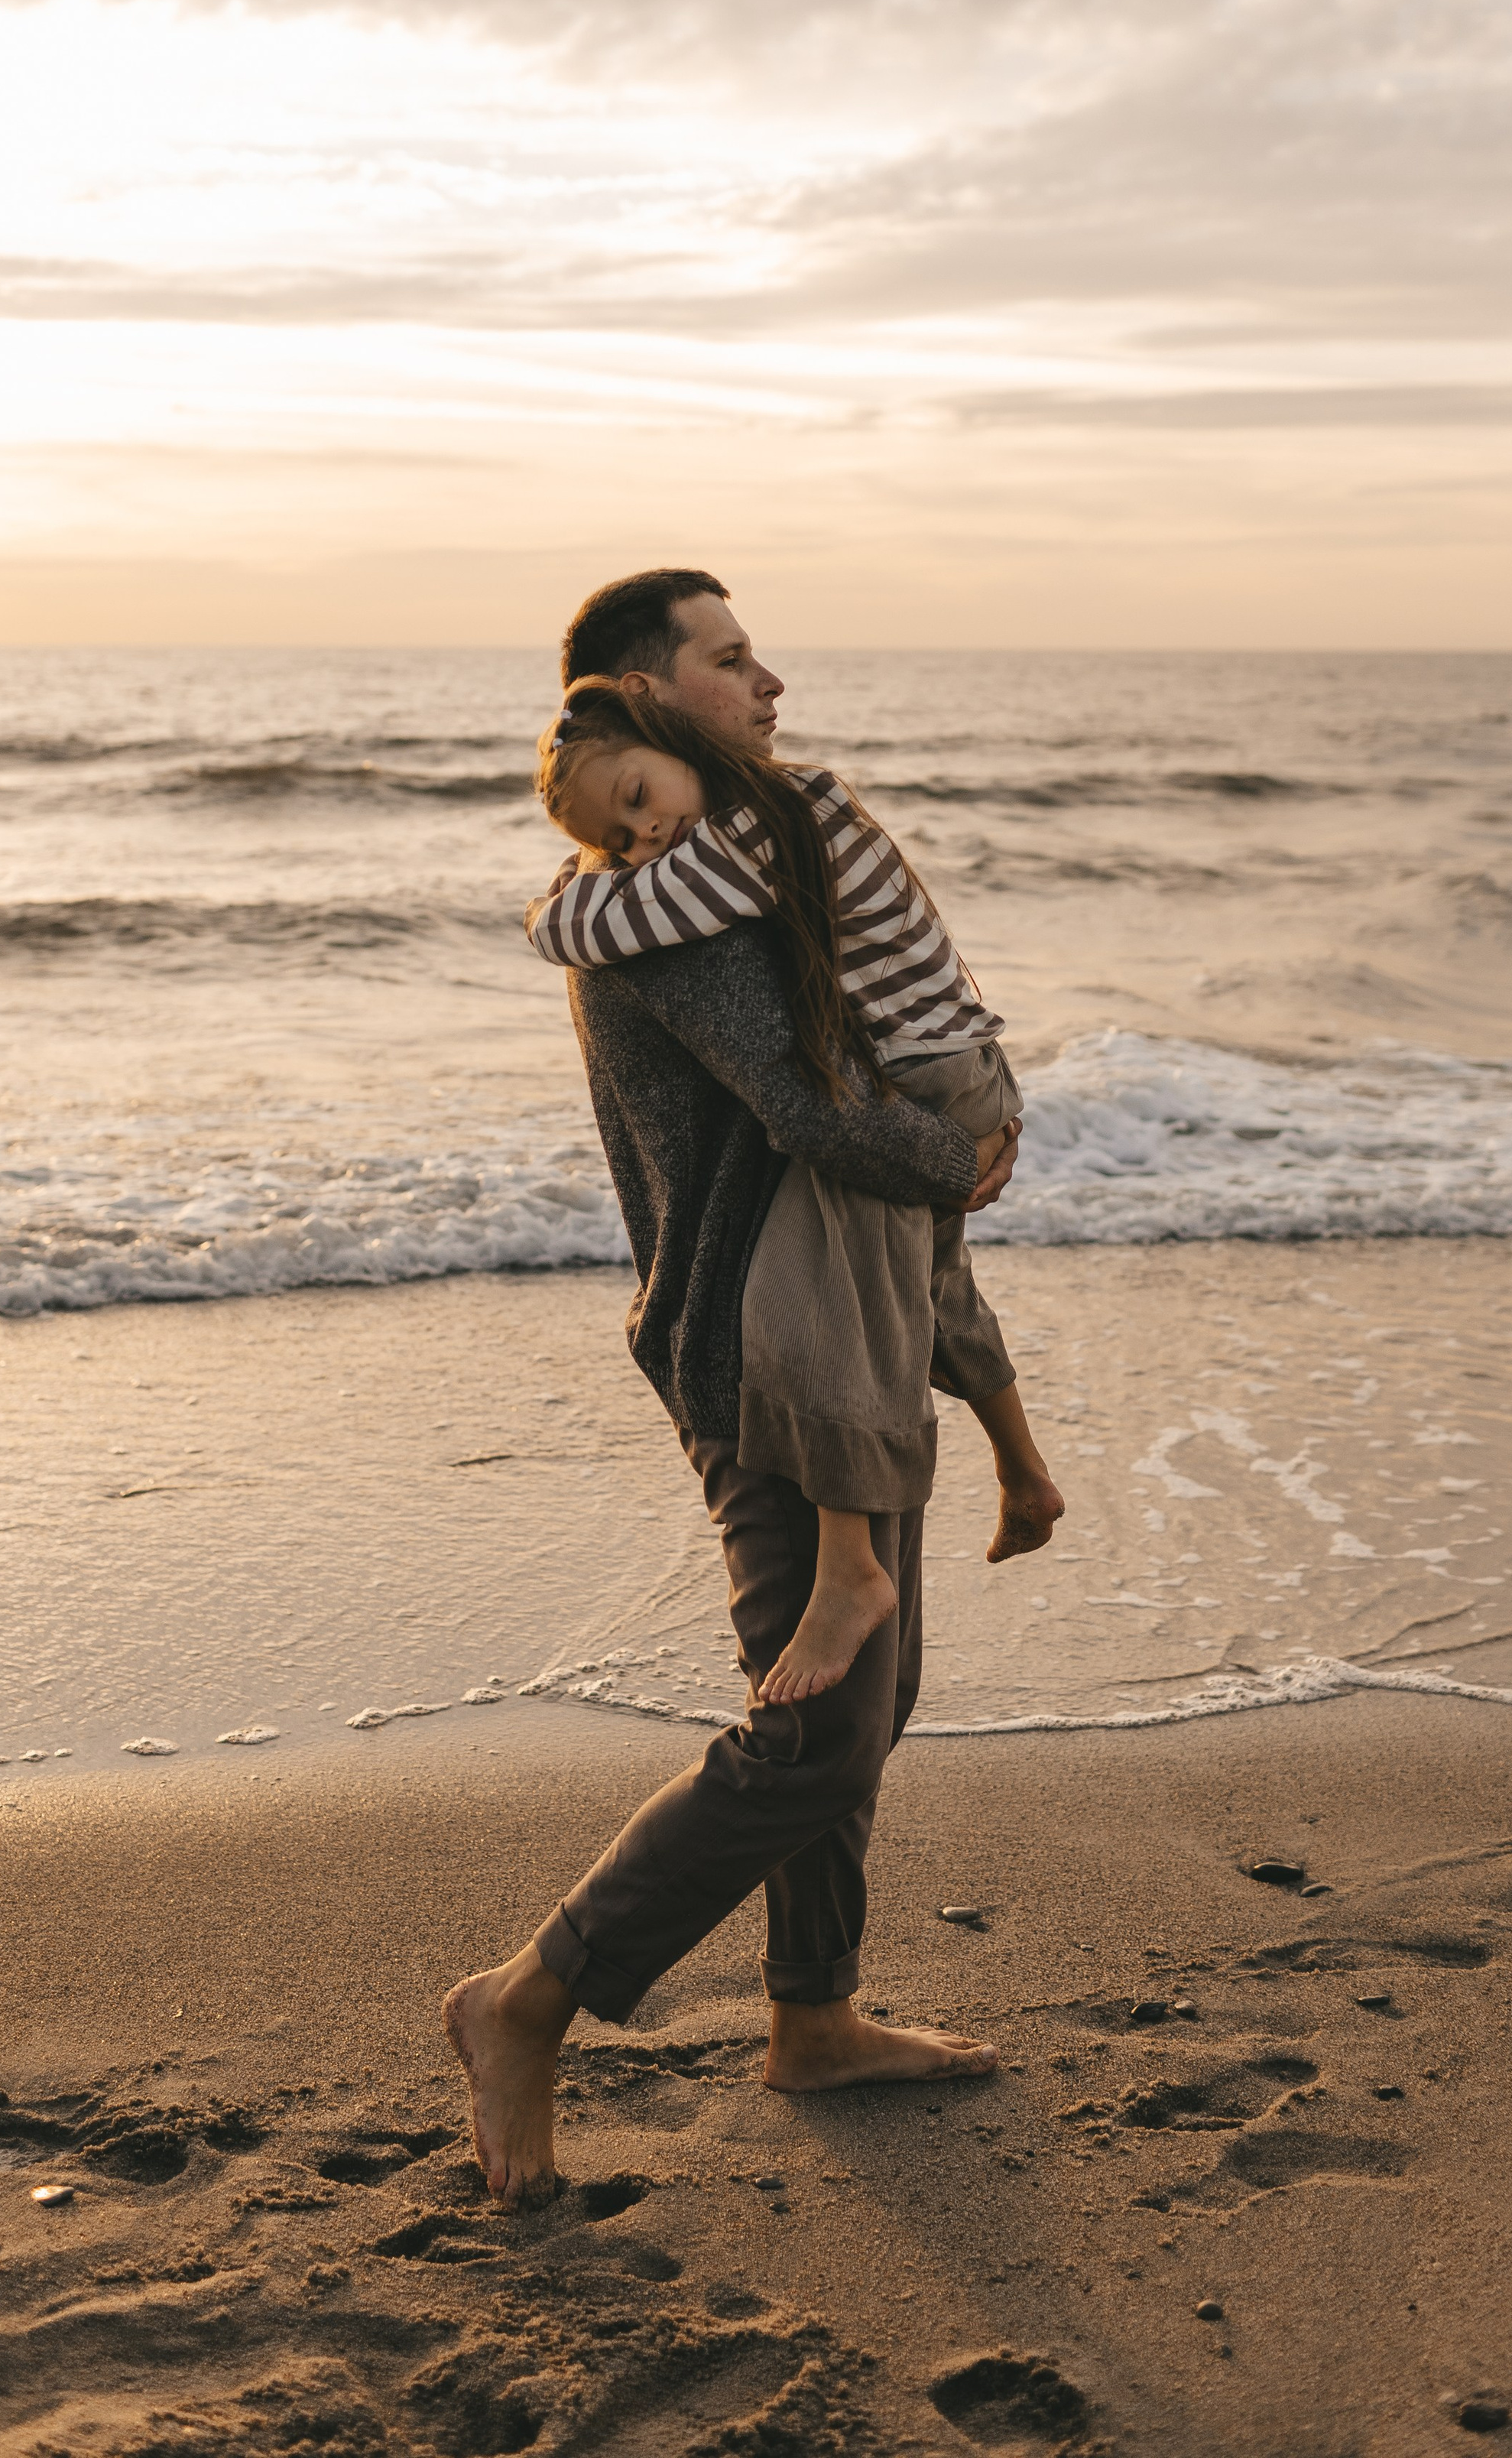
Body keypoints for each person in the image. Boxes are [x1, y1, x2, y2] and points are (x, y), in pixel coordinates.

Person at [443, 573, 1023, 2207]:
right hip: (758, 1345)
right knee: (819, 1732)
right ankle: (525, 1998)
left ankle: (815, 2018)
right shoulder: (667, 911)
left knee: (861, 1708)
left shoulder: (711, 866)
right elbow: (806, 1101)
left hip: (835, 1324)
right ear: (644, 695)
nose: (768, 682)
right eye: (729, 658)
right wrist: (962, 1161)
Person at [529, 675, 1064, 1701]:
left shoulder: (756, 828)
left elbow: (593, 929)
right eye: (621, 834)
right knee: (936, 1288)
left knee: (817, 1298)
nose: (646, 837)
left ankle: (849, 1566)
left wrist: (556, 898)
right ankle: (1024, 1469)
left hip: (922, 1079)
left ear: (656, 724)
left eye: (640, 797)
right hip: (953, 1070)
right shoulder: (771, 810)